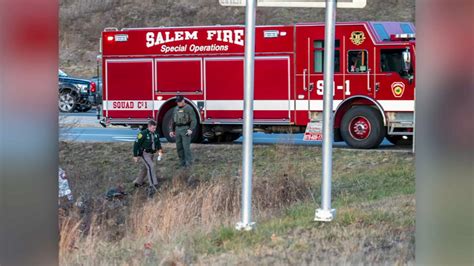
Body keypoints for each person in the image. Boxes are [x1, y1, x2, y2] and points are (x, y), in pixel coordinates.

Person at [133, 120, 162, 196]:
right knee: (151, 166)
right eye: (153, 128)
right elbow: (136, 144)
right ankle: (153, 185)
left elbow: (158, 143)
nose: (154, 130)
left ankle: (138, 182)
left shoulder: (155, 134)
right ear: (149, 127)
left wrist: (160, 151)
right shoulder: (142, 134)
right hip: (145, 153)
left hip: (152, 154)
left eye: (155, 128)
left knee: (145, 168)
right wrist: (135, 155)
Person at [169, 95, 197, 168]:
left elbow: (193, 120)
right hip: (177, 129)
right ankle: (182, 163)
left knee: (186, 148)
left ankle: (189, 164)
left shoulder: (189, 108)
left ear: (183, 100)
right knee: (179, 147)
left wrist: (190, 129)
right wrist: (171, 130)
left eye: (179, 101)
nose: (178, 103)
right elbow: (172, 120)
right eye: (177, 102)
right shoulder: (175, 109)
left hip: (185, 129)